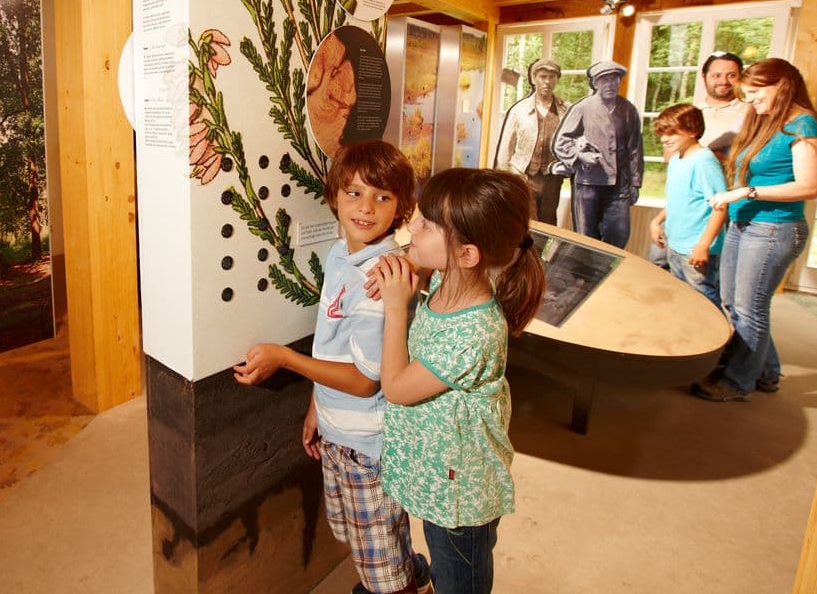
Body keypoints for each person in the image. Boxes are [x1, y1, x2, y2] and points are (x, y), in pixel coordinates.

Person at [233, 140, 429, 594]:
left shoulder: (379, 279)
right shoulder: (341, 255)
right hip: (339, 432)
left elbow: (363, 382)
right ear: (334, 196)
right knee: (370, 541)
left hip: (367, 446)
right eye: (354, 193)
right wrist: (316, 406)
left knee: (380, 566)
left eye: (382, 196)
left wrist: (284, 358)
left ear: (400, 207)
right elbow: (333, 343)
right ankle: (414, 578)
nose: (366, 207)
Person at [371, 168, 545, 594]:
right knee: (441, 559)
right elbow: (422, 261)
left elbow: (396, 387)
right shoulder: (450, 278)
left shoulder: (473, 335)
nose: (412, 227)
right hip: (441, 477)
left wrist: (395, 306)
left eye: (428, 225)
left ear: (467, 254)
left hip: (460, 498)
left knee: (458, 577)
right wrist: (410, 263)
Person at [693, 58, 817, 402]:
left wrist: (746, 192)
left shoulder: (804, 125)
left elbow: (809, 186)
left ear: (781, 85)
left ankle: (738, 382)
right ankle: (765, 372)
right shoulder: (767, 122)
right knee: (732, 303)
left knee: (749, 308)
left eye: (755, 93)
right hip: (744, 222)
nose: (750, 101)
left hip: (773, 228)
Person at [551, 61, 643, 248]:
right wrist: (579, 156)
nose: (610, 84)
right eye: (604, 80)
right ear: (595, 83)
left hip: (619, 186)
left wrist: (635, 183)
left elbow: (635, 149)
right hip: (588, 184)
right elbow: (561, 141)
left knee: (618, 236)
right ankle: (586, 268)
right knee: (587, 240)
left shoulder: (628, 110)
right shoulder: (583, 107)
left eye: (614, 79)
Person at [648, 104, 727, 309]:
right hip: (675, 243)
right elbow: (678, 200)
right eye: (662, 133)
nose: (664, 139)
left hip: (695, 248)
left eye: (672, 133)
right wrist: (656, 222)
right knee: (682, 299)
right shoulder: (676, 159)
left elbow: (720, 206)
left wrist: (703, 245)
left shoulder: (704, 161)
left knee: (704, 301)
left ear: (692, 131)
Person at [494, 59, 570, 224]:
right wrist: (506, 178)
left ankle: (542, 243)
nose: (547, 82)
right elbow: (505, 148)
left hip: (552, 179)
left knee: (548, 220)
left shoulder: (566, 111)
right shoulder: (518, 110)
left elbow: (572, 144)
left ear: (557, 80)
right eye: (543, 76)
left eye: (551, 77)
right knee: (524, 219)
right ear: (534, 78)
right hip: (524, 176)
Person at [700, 51, 748, 159]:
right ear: (704, 77)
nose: (724, 81)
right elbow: (671, 156)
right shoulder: (690, 112)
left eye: (731, 75)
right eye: (716, 75)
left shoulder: (753, 112)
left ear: (741, 77)